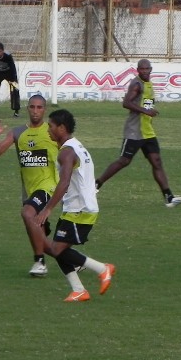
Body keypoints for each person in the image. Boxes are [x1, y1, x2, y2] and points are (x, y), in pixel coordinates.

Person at [35, 109, 116, 302]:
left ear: (61, 128)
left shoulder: (67, 152)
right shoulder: (77, 146)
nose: (48, 130)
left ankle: (102, 269)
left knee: (55, 249)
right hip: (75, 208)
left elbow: (64, 183)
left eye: (51, 126)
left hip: (80, 210)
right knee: (56, 249)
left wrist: (47, 210)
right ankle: (78, 290)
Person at [95, 58, 181, 208]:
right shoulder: (136, 84)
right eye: (142, 69)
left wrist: (148, 113)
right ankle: (96, 184)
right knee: (124, 161)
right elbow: (126, 103)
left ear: (151, 70)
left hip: (148, 131)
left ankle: (169, 197)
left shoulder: (148, 84)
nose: (144, 71)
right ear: (138, 70)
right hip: (134, 131)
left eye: (147, 69)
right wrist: (146, 111)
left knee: (156, 162)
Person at [0, 94, 59, 277]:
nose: (35, 111)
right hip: (28, 189)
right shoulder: (18, 132)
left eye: (39, 107)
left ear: (45, 110)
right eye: (32, 107)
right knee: (38, 233)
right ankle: (73, 260)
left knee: (28, 214)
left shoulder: (52, 132)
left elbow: (71, 152)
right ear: (27, 108)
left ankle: (39, 262)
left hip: (48, 186)